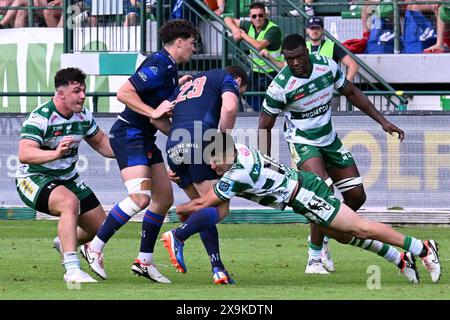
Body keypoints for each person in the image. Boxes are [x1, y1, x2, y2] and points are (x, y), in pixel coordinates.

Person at [163, 132, 441, 284]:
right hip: (302, 194)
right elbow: (211, 155)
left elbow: (203, 202)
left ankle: (422, 247)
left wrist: (177, 209)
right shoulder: (239, 151)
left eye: (214, 162)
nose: (212, 167)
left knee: (361, 227)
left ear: (225, 155)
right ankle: (399, 258)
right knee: (345, 236)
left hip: (307, 194)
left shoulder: (237, 173)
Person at [258, 34, 405, 275]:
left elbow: (352, 92)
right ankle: (314, 258)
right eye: (289, 59)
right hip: (302, 142)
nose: (295, 63)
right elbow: (264, 124)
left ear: (307, 52)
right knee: (322, 193)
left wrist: (383, 122)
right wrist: (265, 163)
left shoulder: (327, 66)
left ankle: (326, 231)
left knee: (357, 196)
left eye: (299, 57)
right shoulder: (280, 87)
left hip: (329, 139)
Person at [83, 20, 199, 283]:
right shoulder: (159, 65)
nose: (194, 49)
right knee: (140, 198)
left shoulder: (170, 68)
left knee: (164, 199)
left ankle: (144, 260)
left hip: (145, 138)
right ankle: (94, 246)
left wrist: (176, 92)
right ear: (179, 42)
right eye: (192, 43)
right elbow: (124, 93)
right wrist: (154, 111)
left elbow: (159, 118)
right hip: (129, 135)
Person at [15, 67, 114, 283]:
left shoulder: (83, 115)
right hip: (33, 178)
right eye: (77, 91)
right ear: (61, 94)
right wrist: (56, 153)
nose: (82, 96)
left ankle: (65, 240)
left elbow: (101, 143)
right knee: (69, 203)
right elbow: (24, 153)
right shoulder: (41, 117)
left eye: (84, 90)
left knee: (101, 229)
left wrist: (131, 154)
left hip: (68, 178)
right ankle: (71, 269)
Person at [152, 66, 247, 284]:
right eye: (240, 90)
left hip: (174, 147)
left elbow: (155, 119)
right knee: (220, 208)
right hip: (201, 142)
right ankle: (178, 236)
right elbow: (230, 109)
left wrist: (181, 140)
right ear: (238, 80)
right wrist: (220, 145)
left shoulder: (185, 86)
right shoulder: (225, 78)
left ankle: (218, 268)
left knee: (202, 207)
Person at [224, 2, 283, 112]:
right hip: (255, 70)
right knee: (246, 93)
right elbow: (227, 18)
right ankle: (263, 113)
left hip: (272, 71)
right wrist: (235, 29)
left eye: (260, 15)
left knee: (274, 100)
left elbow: (259, 46)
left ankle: (267, 114)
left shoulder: (273, 29)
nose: (257, 18)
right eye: (254, 16)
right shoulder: (249, 25)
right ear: (250, 17)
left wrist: (243, 35)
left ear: (265, 15)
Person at [306, 16, 359, 82]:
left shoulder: (332, 46)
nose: (315, 31)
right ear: (307, 30)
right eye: (312, 28)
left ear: (322, 30)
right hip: (309, 88)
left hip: (329, 88)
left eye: (318, 28)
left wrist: (344, 85)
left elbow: (353, 65)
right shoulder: (303, 47)